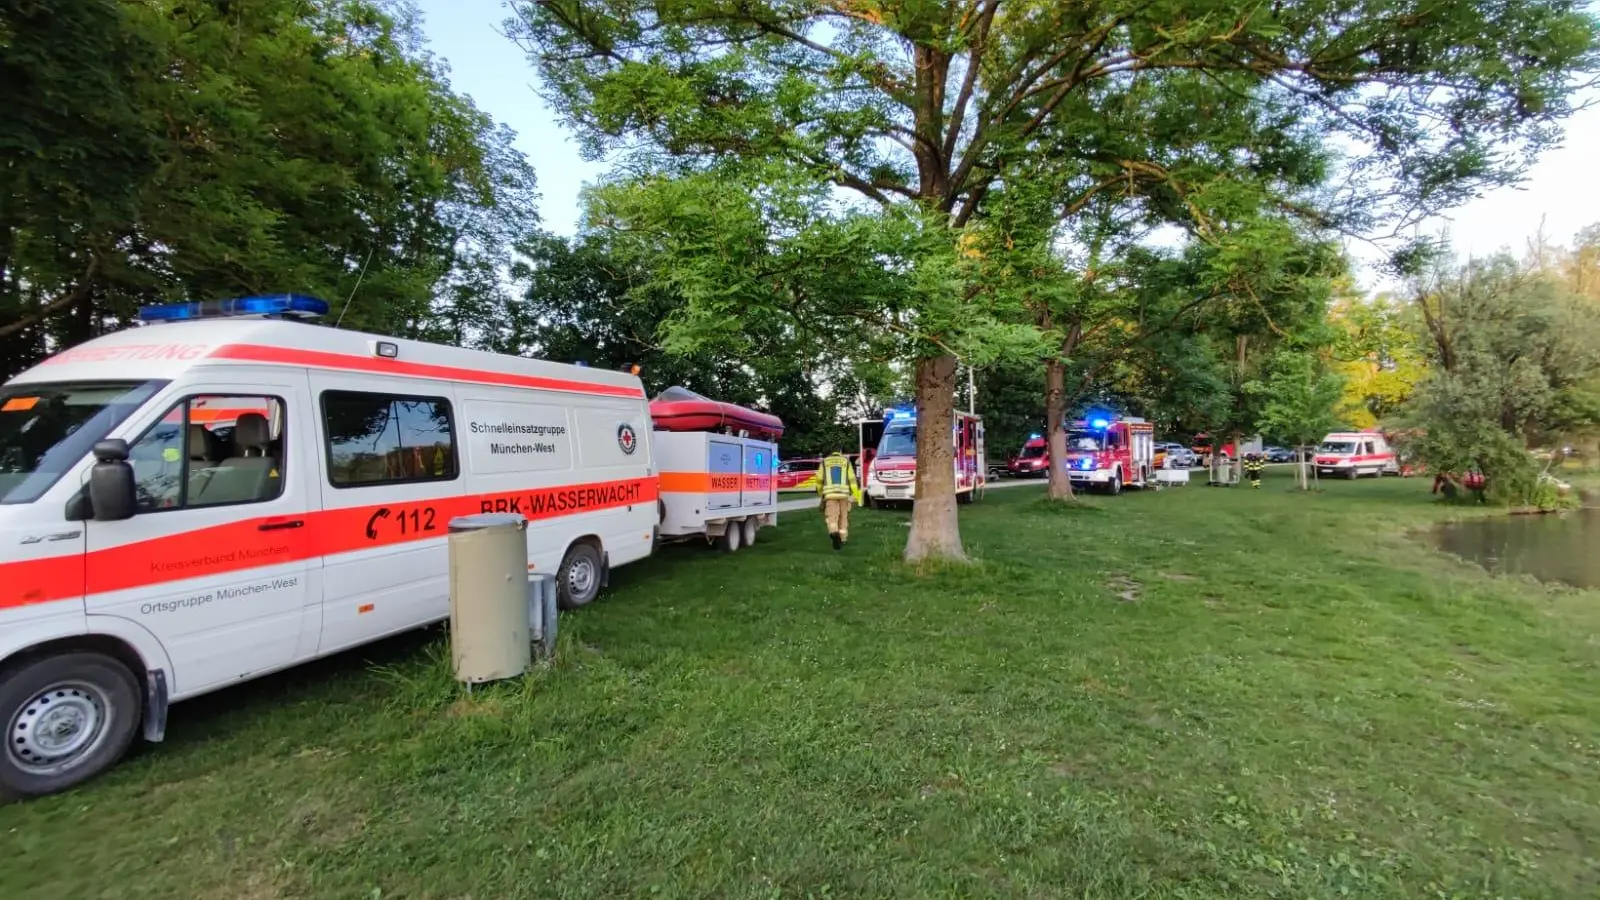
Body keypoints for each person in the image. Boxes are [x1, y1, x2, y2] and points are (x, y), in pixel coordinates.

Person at [815, 448, 860, 550]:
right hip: (844, 495)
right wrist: (855, 495)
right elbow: (852, 479)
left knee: (832, 516)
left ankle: (834, 532)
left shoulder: (825, 462)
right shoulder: (846, 461)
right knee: (843, 516)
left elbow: (819, 479)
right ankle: (843, 537)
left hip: (830, 495)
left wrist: (820, 492)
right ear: (840, 452)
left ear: (830, 452)